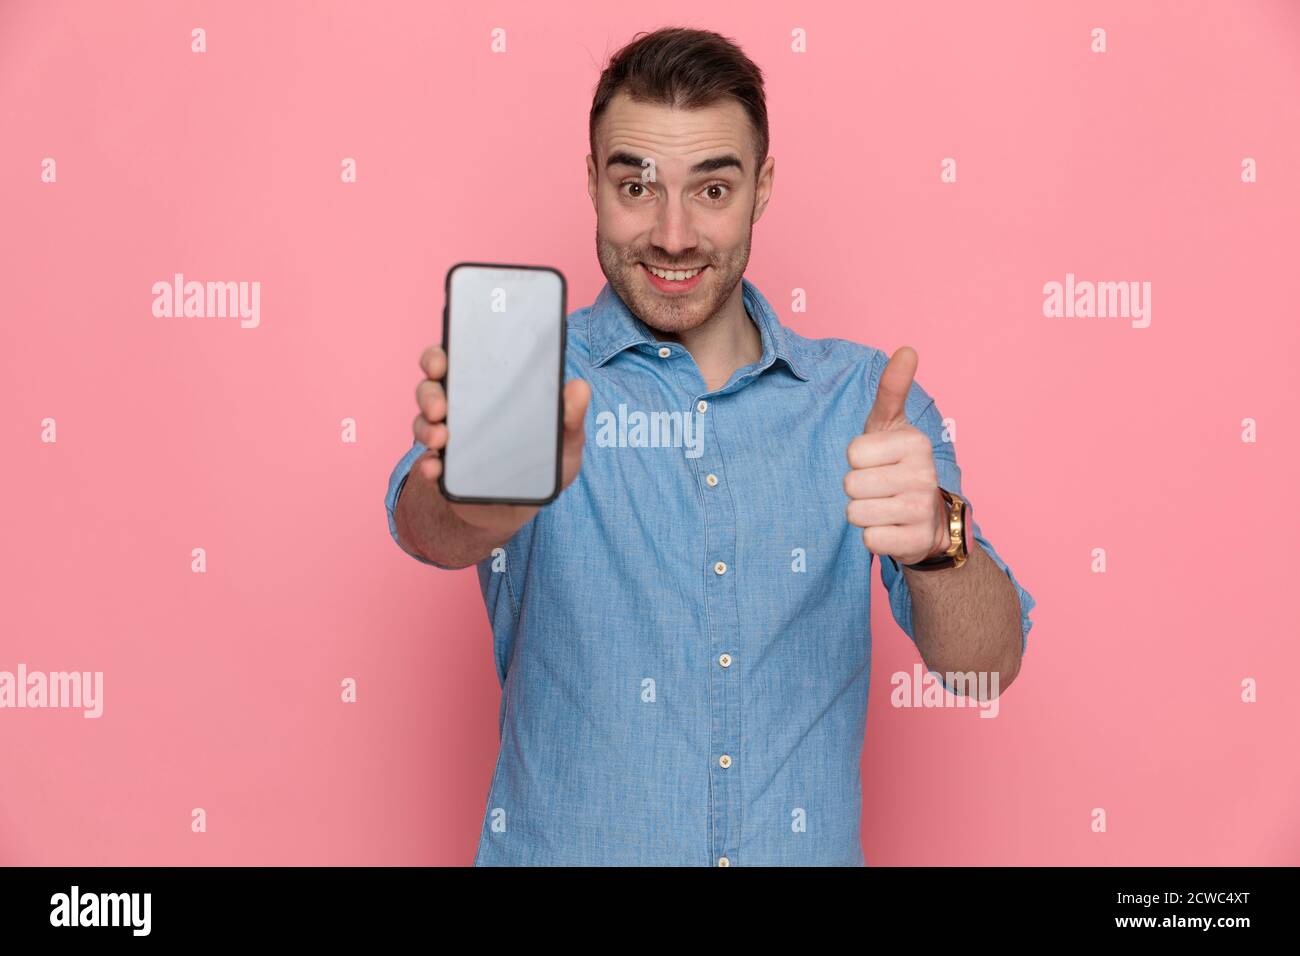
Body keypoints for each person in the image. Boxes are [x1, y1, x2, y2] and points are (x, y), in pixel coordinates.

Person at [385, 26, 1036, 866]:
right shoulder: (530, 383)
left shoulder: (864, 405)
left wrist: (936, 540)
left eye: (713, 190)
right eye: (636, 186)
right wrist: (488, 499)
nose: (674, 235)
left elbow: (986, 665)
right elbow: (427, 529)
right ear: (592, 183)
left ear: (762, 188)